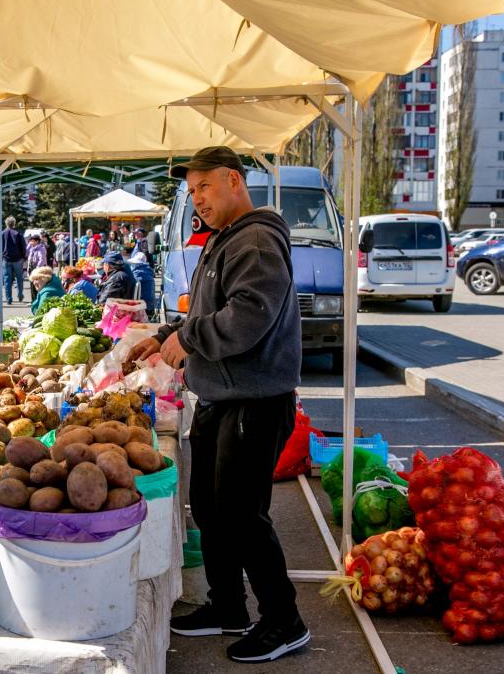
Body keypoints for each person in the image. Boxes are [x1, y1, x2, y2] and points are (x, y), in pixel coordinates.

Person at [127, 146, 306, 663]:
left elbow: (250, 315)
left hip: (254, 399)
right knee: (208, 506)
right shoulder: (225, 238)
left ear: (233, 180)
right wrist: (165, 335)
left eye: (204, 187)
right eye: (191, 191)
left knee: (244, 515)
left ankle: (284, 621)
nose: (198, 199)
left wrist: (191, 339)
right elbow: (208, 311)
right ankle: (228, 606)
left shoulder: (256, 239)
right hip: (220, 397)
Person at [0, 216, 27, 305]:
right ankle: (20, 295)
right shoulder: (18, 233)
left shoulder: (2, 233)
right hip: (18, 259)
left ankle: (9, 298)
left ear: (6, 224)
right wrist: (24, 257)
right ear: (14, 223)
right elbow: (23, 246)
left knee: (7, 279)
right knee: (19, 278)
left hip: (6, 259)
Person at [127, 251, 156, 318]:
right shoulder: (147, 271)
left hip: (143, 307)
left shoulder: (139, 273)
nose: (132, 265)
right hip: (150, 306)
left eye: (133, 263)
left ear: (138, 264)